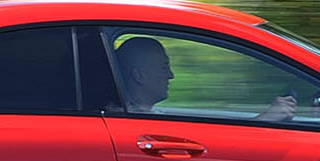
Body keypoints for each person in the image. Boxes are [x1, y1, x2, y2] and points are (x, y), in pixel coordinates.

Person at [112, 33, 302, 122]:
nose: (171, 75)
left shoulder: (140, 115)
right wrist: (266, 119)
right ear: (140, 75)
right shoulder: (133, 124)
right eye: (164, 68)